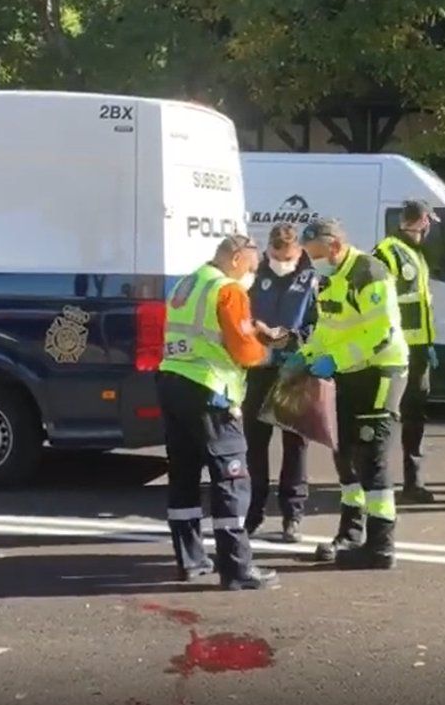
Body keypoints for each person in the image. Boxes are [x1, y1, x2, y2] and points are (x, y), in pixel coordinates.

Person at [157, 233, 286, 589]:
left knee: (183, 476)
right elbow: (244, 351)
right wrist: (265, 349)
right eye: (251, 266)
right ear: (235, 260)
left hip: (173, 380)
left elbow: (203, 331)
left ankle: (191, 561)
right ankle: (237, 569)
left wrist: (249, 330)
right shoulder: (229, 290)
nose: (252, 275)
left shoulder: (188, 282)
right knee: (231, 478)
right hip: (210, 390)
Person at [287, 218, 409, 569]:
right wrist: (306, 355)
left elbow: (381, 333)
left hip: (380, 371)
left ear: (336, 247)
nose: (313, 262)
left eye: (317, 254)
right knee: (345, 454)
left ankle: (381, 545)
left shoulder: (369, 273)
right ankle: (350, 533)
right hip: (348, 372)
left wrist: (334, 360)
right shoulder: (329, 277)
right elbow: (329, 326)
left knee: (372, 457)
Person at [241, 222, 318, 543]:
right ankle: (253, 512)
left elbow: (321, 323)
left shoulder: (313, 280)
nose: (280, 261)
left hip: (295, 368)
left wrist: (296, 336)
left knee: (296, 444)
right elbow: (239, 317)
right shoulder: (255, 276)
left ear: (298, 250)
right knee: (255, 444)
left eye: (286, 256)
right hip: (258, 368)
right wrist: (257, 330)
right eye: (275, 256)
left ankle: (292, 515)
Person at [373, 199, 438, 505]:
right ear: (422, 222)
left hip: (419, 349)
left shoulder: (415, 253)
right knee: (386, 415)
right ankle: (377, 478)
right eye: (429, 223)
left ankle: (413, 481)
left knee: (415, 416)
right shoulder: (387, 251)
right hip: (395, 349)